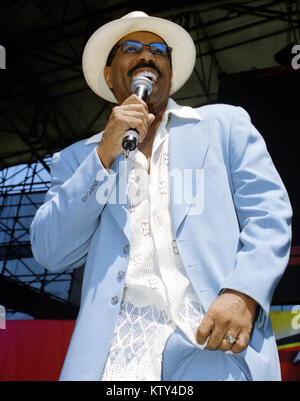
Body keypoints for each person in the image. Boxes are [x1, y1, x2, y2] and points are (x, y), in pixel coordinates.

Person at [30, 11, 292, 381]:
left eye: (159, 51)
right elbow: (49, 250)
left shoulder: (223, 125)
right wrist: (103, 155)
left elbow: (268, 215)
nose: (148, 56)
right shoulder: (77, 159)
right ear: (109, 75)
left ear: (168, 71)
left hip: (213, 340)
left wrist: (243, 292)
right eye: (132, 48)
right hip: (118, 356)